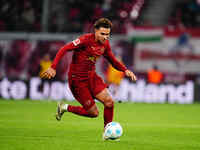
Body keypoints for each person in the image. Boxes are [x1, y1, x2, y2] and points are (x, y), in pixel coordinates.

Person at [40, 18, 137, 140]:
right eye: (102, 34)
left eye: (107, 34)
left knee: (109, 103)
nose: (105, 37)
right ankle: (64, 107)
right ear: (95, 31)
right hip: (77, 80)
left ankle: (106, 133)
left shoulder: (105, 44)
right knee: (93, 113)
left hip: (92, 77)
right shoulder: (85, 40)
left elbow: (112, 60)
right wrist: (53, 67)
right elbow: (64, 48)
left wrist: (125, 70)